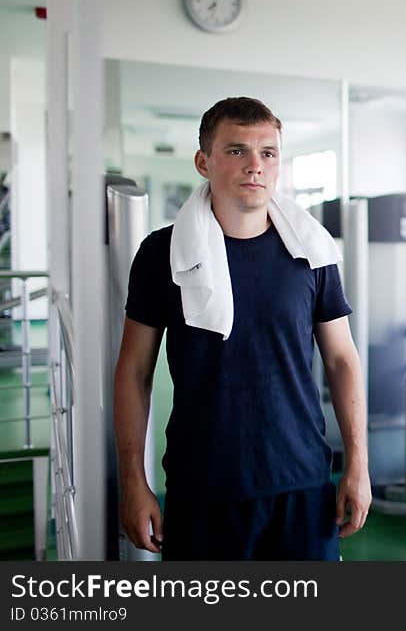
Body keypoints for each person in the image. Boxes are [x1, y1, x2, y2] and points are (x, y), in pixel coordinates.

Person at [113, 96, 370, 560]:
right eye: (236, 151)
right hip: (203, 486)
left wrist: (358, 465)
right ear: (203, 162)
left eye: (268, 153)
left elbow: (341, 359)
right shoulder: (160, 254)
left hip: (302, 484)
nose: (255, 165)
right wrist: (133, 481)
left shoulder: (312, 253)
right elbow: (134, 371)